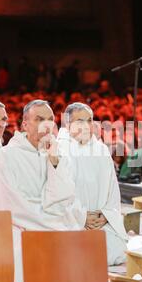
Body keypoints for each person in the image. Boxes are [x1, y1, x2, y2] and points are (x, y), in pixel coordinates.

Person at [0, 99, 86, 282]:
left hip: (54, 223)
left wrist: (54, 161)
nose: (46, 124)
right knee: (23, 255)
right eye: (39, 119)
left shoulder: (59, 154)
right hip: (21, 228)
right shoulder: (7, 156)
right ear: (25, 124)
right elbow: (9, 205)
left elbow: (67, 197)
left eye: (50, 119)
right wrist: (50, 223)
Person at [58, 102, 128, 266]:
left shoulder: (101, 149)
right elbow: (57, 193)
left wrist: (106, 215)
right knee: (75, 255)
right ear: (68, 124)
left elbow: (113, 190)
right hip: (71, 222)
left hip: (100, 221)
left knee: (116, 251)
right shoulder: (58, 149)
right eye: (80, 121)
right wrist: (82, 217)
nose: (87, 125)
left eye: (89, 120)